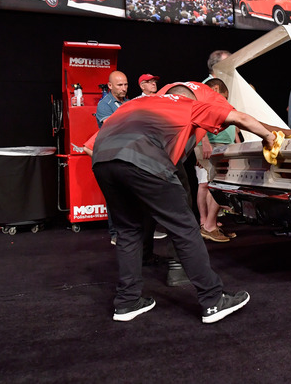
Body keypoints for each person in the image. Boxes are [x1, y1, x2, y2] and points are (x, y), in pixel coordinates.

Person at [90, 83, 280, 322]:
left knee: (128, 231)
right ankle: (213, 300)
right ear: (192, 97)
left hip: (102, 160)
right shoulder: (187, 105)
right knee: (185, 228)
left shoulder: (135, 103)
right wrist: (270, 137)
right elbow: (239, 118)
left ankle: (127, 302)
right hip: (144, 159)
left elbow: (97, 137)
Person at [196, 78, 241, 243]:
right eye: (224, 96)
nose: (224, 100)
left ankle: (211, 224)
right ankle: (208, 226)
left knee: (214, 183)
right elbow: (198, 121)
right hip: (211, 144)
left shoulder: (212, 101)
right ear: (216, 88)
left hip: (220, 144)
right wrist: (204, 143)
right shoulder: (205, 99)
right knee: (215, 183)